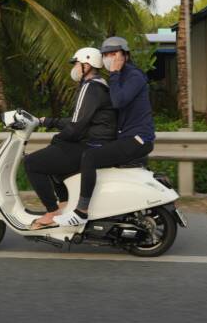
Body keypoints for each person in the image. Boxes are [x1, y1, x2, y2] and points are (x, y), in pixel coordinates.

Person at [53, 36, 155, 228]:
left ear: (125, 55)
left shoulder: (133, 76)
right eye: (106, 54)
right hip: (126, 138)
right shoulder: (119, 77)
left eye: (114, 53)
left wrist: (114, 73)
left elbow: (118, 101)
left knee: (90, 157)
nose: (110, 58)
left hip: (138, 139)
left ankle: (81, 212)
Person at [24, 47, 117, 229]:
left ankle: (51, 212)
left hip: (92, 145)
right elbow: (80, 119)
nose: (74, 68)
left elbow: (76, 127)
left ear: (86, 66)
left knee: (32, 163)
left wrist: (58, 137)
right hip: (98, 142)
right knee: (55, 151)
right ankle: (64, 203)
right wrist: (48, 121)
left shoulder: (90, 87)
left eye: (76, 64)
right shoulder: (100, 86)